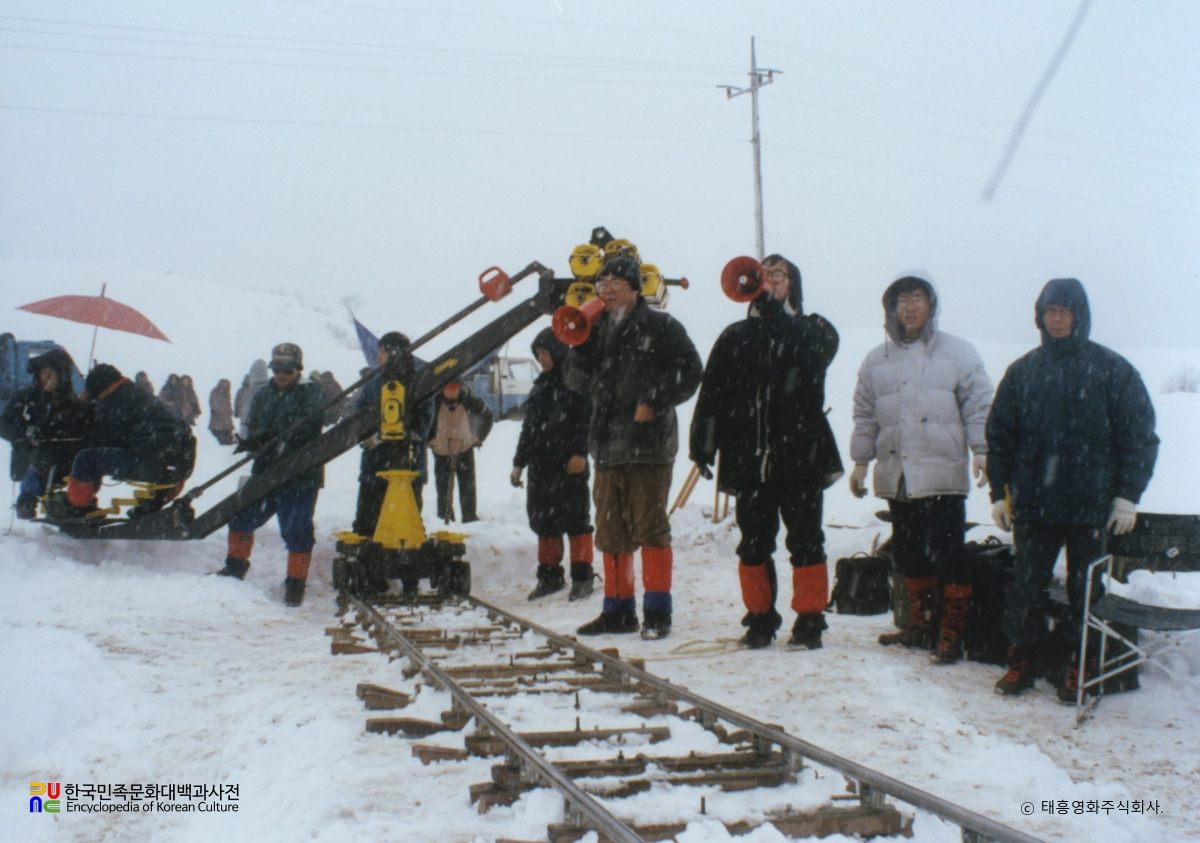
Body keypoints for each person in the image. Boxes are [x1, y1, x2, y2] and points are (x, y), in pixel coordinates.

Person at [986, 278, 1158, 700]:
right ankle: (1022, 658)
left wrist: (1127, 496)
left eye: (1064, 311)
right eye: (1049, 311)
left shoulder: (1112, 370)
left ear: (1079, 316)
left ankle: (1081, 664)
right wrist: (997, 493)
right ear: (1040, 317)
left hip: (1091, 508)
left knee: (1087, 594)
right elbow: (1000, 437)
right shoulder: (1023, 372)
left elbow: (1139, 437)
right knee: (1025, 587)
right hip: (1035, 506)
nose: (1057, 319)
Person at [690, 255, 843, 650]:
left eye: (780, 274)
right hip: (749, 459)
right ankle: (760, 618)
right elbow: (712, 394)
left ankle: (810, 620)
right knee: (753, 543)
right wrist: (702, 445)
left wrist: (781, 318)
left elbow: (820, 353)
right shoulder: (735, 335)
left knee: (806, 539)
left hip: (801, 457)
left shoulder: (814, 328)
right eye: (764, 273)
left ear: (794, 284)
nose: (770, 280)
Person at [849, 274, 993, 664]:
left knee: (949, 554)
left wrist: (982, 450)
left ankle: (953, 631)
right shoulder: (876, 359)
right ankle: (924, 623)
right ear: (891, 309)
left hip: (942, 474)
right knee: (910, 553)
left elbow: (979, 404)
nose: (910, 307)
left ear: (931, 305)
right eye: (901, 300)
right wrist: (861, 462)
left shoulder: (958, 353)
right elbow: (865, 415)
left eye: (917, 298)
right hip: (899, 475)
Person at [563, 255, 703, 639]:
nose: (605, 292)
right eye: (600, 285)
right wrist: (580, 342)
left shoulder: (661, 326)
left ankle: (657, 613)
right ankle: (618, 611)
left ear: (635, 289)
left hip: (648, 446)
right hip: (608, 447)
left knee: (650, 528)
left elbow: (691, 370)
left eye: (614, 284)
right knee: (610, 531)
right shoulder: (597, 329)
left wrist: (656, 401)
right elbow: (575, 381)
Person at [217, 343, 326, 607]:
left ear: (297, 368)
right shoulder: (264, 395)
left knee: (296, 529)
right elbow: (254, 423)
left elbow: (309, 426)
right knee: (242, 516)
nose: (281, 374)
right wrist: (252, 440)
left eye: (287, 368)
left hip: (300, 475)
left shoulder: (311, 392)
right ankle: (234, 568)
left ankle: (295, 585)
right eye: (277, 368)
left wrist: (276, 436)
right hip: (265, 471)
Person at [512, 328, 595, 602]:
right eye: (538, 354)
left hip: (569, 466)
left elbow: (587, 420)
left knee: (577, 522)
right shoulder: (540, 386)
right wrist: (519, 463)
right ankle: (549, 577)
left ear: (558, 352)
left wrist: (580, 454)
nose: (541, 358)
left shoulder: (576, 381)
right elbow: (529, 429)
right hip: (541, 468)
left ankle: (582, 578)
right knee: (544, 522)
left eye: (546, 353)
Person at [60, 364, 196, 519]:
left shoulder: (115, 400)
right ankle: (151, 506)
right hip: (175, 466)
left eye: (97, 397)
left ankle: (76, 510)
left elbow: (101, 439)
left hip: (145, 461)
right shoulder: (140, 394)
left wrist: (83, 407)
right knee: (154, 459)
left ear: (105, 388)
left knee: (85, 459)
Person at [352, 332, 435, 538]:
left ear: (395, 353)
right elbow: (358, 417)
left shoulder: (419, 383)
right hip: (374, 468)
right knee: (366, 527)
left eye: (381, 351)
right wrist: (367, 434)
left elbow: (422, 424)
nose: (378, 356)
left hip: (408, 468)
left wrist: (389, 435)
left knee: (406, 526)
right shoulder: (373, 383)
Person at [0, 349, 92, 519]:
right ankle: (26, 500)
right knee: (45, 451)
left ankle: (80, 501)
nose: (47, 378)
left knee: (89, 455)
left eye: (52, 373)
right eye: (43, 373)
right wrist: (26, 435)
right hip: (30, 455)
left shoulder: (71, 401)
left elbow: (79, 429)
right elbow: (3, 424)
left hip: (63, 457)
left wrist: (86, 407)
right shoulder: (25, 397)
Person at [428, 381, 493, 523]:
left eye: (454, 389)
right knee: (443, 490)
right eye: (447, 389)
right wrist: (429, 439)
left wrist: (479, 436)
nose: (451, 393)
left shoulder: (470, 401)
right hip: (441, 452)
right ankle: (444, 518)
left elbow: (487, 416)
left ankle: (469, 518)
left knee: (467, 487)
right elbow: (422, 420)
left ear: (460, 389)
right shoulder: (434, 402)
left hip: (465, 450)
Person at [235, 360, 270, 438]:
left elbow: (245, 417)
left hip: (254, 439)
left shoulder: (248, 393)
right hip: (272, 439)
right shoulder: (273, 390)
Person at [208, 378, 236, 445]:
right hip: (218, 418)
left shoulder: (226, 394)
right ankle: (226, 443)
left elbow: (228, 404)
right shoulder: (215, 392)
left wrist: (230, 410)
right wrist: (215, 409)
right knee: (221, 432)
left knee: (227, 432)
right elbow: (213, 402)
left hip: (225, 418)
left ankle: (228, 442)